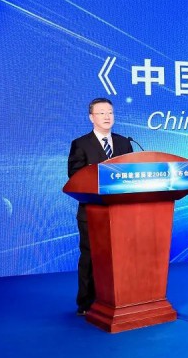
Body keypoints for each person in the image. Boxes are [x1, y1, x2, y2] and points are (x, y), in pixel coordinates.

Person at [67, 98, 133, 316]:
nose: (107, 116)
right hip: (92, 213)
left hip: (122, 212)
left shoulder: (124, 143)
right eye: (101, 113)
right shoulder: (81, 144)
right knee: (91, 257)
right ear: (91, 117)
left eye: (110, 112)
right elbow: (74, 177)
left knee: (122, 256)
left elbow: (132, 174)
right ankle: (86, 302)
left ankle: (121, 297)